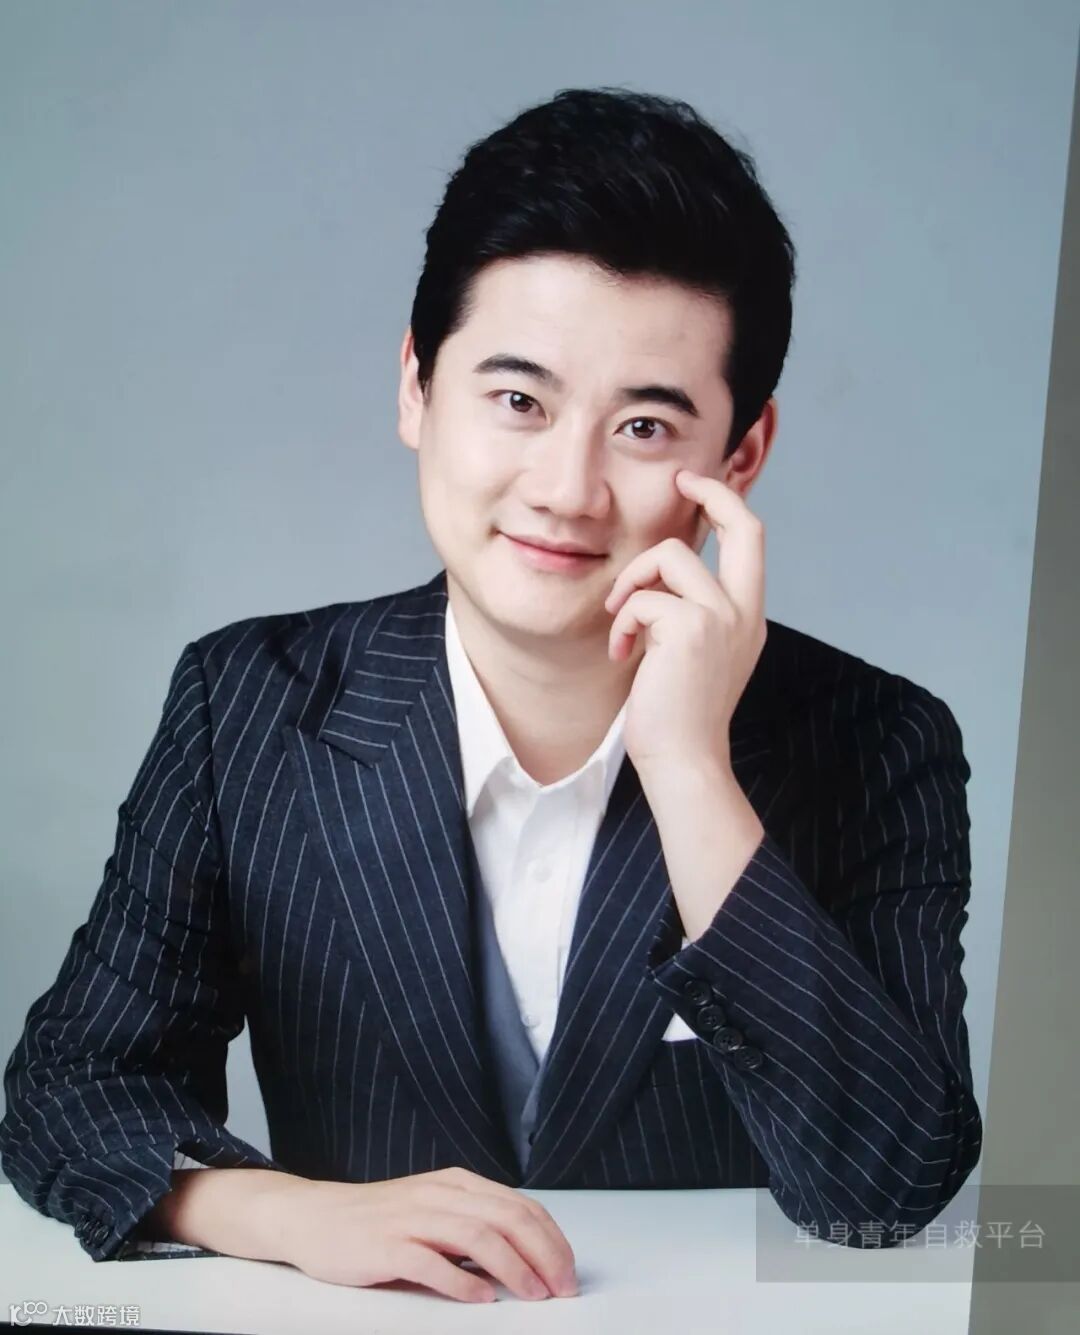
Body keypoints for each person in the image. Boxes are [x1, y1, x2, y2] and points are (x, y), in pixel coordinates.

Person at [0, 86, 982, 1305]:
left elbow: (892, 1187)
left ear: (741, 457)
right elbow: (69, 1089)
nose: (567, 489)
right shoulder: (245, 704)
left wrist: (691, 772)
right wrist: (293, 1214)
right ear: (416, 386)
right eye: (519, 401)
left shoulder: (879, 741)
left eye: (644, 427)